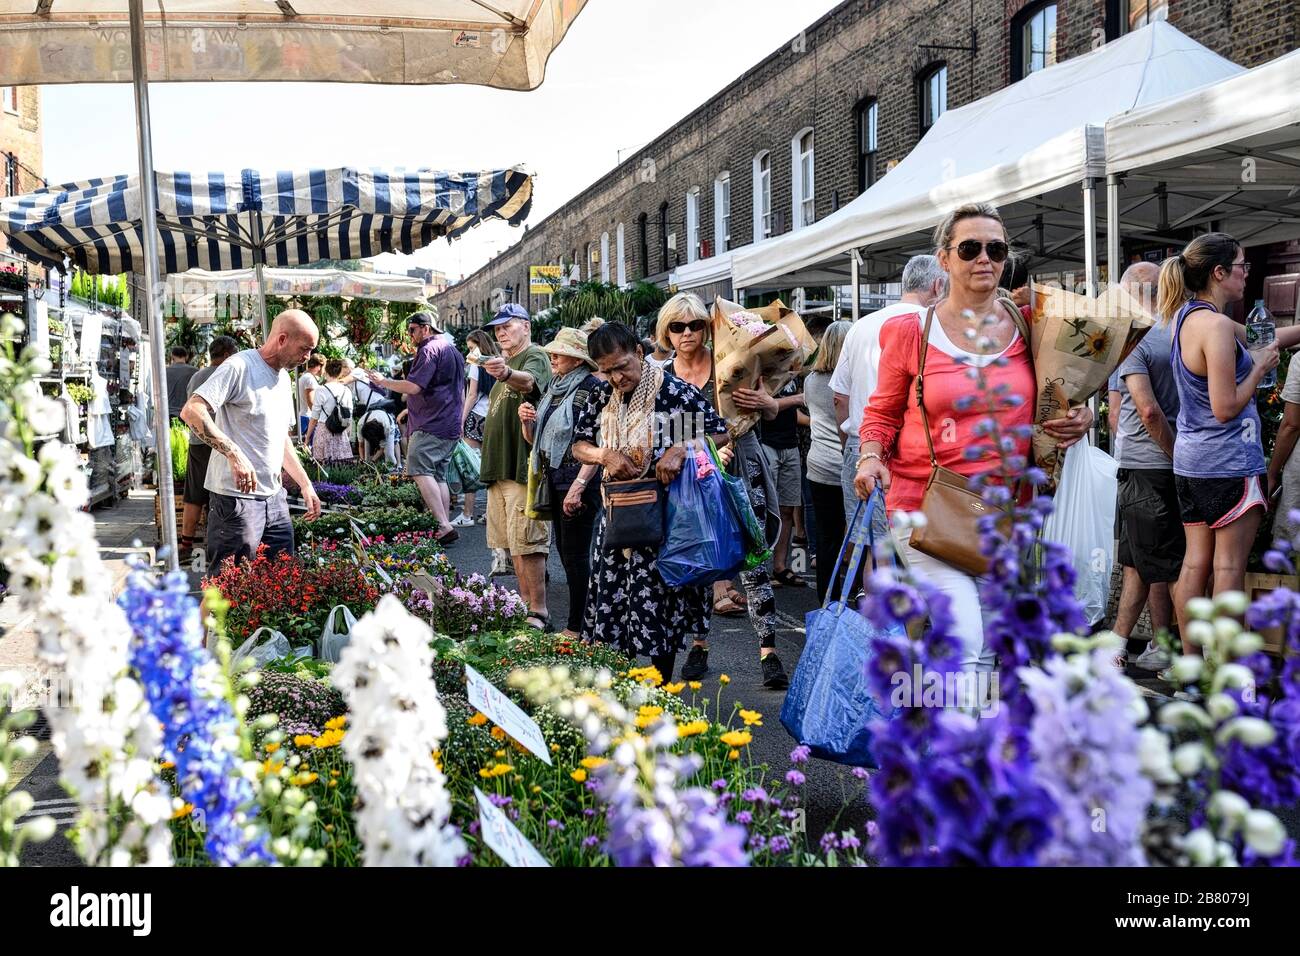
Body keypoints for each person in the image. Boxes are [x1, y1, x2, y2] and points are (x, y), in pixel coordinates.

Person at [854, 203, 1093, 689]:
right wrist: (870, 455)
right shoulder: (910, 332)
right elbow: (881, 410)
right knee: (965, 636)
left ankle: (956, 745)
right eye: (970, 248)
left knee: (986, 646)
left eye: (996, 249)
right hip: (924, 504)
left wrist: (1080, 416)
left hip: (1003, 513)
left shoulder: (1032, 325)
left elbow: (1058, 395)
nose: (985, 259)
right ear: (944, 259)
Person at [571, 322, 730, 680]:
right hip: (617, 519)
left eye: (621, 366)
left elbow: (719, 431)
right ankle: (625, 689)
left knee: (662, 609)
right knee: (614, 607)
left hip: (666, 522)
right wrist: (604, 455)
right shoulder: (600, 396)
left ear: (639, 353)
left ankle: (661, 690)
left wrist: (680, 448)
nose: (615, 377)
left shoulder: (672, 392)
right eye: (606, 370)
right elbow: (578, 444)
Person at [656, 291, 791, 689]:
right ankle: (699, 644)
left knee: (752, 554)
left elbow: (769, 410)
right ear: (666, 331)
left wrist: (766, 401)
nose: (687, 334)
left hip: (742, 467)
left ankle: (769, 651)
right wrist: (707, 452)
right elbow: (664, 429)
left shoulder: (730, 362)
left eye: (696, 325)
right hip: (691, 476)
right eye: (677, 327)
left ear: (707, 327)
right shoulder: (660, 375)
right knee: (700, 556)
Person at [1159, 233, 1279, 655]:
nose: (1248, 273)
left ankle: (1193, 669)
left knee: (1195, 564)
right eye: (1243, 265)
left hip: (1191, 463)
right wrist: (1260, 366)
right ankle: (1228, 674)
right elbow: (1225, 406)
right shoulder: (1217, 326)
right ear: (1219, 272)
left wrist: (1268, 348)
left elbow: (1267, 337)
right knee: (1228, 568)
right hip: (1229, 461)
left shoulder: (1186, 318)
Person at [181, 309, 322, 571]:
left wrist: (305, 484)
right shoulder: (239, 366)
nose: (308, 358)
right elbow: (192, 411)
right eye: (305, 349)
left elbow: (280, 438)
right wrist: (233, 453)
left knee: (277, 581)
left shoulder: (282, 377)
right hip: (236, 500)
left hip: (274, 498)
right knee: (225, 586)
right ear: (282, 339)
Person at [831, 255, 947, 521]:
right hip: (917, 451)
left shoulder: (859, 327)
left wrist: (849, 444)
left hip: (862, 445)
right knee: (919, 544)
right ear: (938, 286)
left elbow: (839, 397)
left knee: (870, 544)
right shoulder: (935, 326)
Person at [1108, 261, 1181, 673]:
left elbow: (1131, 411)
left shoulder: (1136, 339)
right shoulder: (1185, 331)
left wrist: (1171, 453)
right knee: (1144, 558)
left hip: (1145, 462)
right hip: (1174, 460)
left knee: (1162, 563)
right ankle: (1133, 645)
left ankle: (1175, 653)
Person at [518, 327, 603, 639]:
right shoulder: (555, 387)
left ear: (578, 359)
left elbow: (596, 442)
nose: (552, 356)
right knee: (566, 554)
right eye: (552, 351)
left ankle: (578, 626)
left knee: (576, 555)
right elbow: (535, 441)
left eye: (559, 352)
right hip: (553, 477)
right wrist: (527, 421)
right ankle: (584, 623)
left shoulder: (592, 388)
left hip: (578, 480)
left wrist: (580, 485)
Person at [479, 303, 553, 629]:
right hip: (501, 468)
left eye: (507, 326)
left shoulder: (532, 355)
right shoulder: (504, 361)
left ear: (526, 325)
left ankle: (539, 610)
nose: (501, 332)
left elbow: (530, 383)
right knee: (512, 544)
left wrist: (507, 373)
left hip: (522, 465)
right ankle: (525, 607)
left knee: (528, 541)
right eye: (497, 328)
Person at [365, 311, 465, 544]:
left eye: (412, 330)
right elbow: (454, 389)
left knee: (419, 470)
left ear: (426, 328)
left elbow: (413, 387)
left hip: (431, 422)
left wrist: (383, 381)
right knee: (437, 474)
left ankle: (442, 524)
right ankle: (443, 524)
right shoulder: (452, 349)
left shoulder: (429, 349)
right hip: (447, 421)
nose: (409, 336)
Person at [179, 335, 239, 563]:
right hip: (224, 444)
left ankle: (186, 545)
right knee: (221, 493)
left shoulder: (197, 376)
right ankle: (218, 546)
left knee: (194, 494)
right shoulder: (228, 373)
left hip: (198, 443)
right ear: (226, 355)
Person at [803, 320, 851, 603]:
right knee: (855, 537)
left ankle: (826, 600)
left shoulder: (811, 382)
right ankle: (854, 596)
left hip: (818, 467)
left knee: (826, 538)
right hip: (846, 466)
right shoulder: (852, 382)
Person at [743, 376, 807, 589]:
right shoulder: (763, 369)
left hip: (791, 444)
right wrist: (799, 398)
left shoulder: (794, 372)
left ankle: (780, 566)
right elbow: (763, 405)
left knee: (788, 508)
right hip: (767, 444)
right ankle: (758, 567)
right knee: (762, 510)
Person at [453, 329, 499, 527]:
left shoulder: (476, 365)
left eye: (472, 347)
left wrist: (461, 420)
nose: (470, 352)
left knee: (470, 467)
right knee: (493, 467)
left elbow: (471, 395)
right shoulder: (498, 362)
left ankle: (467, 514)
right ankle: (492, 513)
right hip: (495, 418)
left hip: (477, 418)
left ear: (479, 346)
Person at [304, 358, 356, 462]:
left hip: (324, 430)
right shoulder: (347, 390)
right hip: (341, 432)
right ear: (340, 373)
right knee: (341, 467)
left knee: (323, 467)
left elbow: (314, 417)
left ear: (326, 372)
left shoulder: (321, 390)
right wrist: (348, 435)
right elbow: (349, 416)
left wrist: (307, 437)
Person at [165, 346, 199, 421]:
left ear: (172, 356)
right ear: (186, 357)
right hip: (188, 414)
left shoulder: (164, 372)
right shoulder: (195, 371)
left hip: (168, 413)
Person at [297, 354, 324, 437]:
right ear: (319, 366)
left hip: (304, 416)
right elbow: (310, 401)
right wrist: (319, 417)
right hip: (308, 417)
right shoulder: (309, 378)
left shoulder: (305, 376)